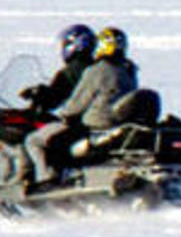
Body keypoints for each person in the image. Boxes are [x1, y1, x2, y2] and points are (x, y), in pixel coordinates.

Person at [25, 26, 138, 185]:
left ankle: (48, 181)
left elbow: (77, 104)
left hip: (95, 122)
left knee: (36, 141)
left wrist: (64, 114)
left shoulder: (96, 71)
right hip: (119, 122)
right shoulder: (128, 70)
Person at [19, 23, 97, 113]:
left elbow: (56, 96)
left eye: (65, 44)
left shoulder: (73, 70)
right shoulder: (95, 66)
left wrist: (39, 93)